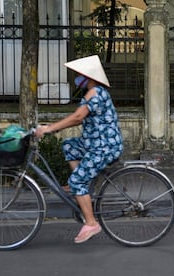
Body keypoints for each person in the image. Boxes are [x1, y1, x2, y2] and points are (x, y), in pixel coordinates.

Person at [35, 55, 123, 243]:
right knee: (69, 145)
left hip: (103, 147)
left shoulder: (96, 93)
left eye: (79, 74)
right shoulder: (94, 92)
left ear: (88, 76)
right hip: (94, 143)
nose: (76, 77)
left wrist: (49, 128)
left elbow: (77, 117)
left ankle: (91, 222)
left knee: (76, 181)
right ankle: (84, 184)